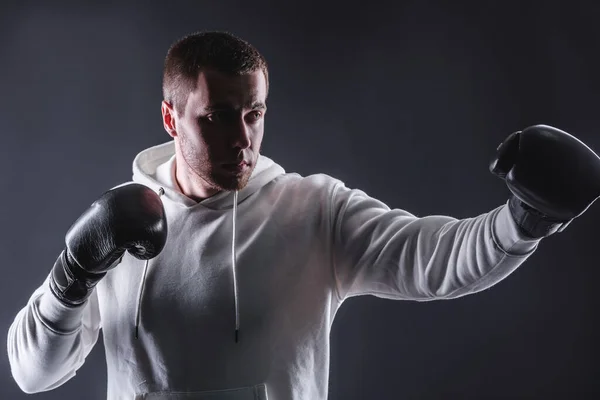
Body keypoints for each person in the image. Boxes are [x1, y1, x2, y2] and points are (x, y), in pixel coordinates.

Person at [7, 30, 600, 400]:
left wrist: (522, 221)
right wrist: (73, 272)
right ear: (171, 118)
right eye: (216, 116)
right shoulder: (123, 222)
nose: (242, 137)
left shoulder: (313, 209)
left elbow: (432, 260)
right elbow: (33, 375)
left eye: (254, 114)